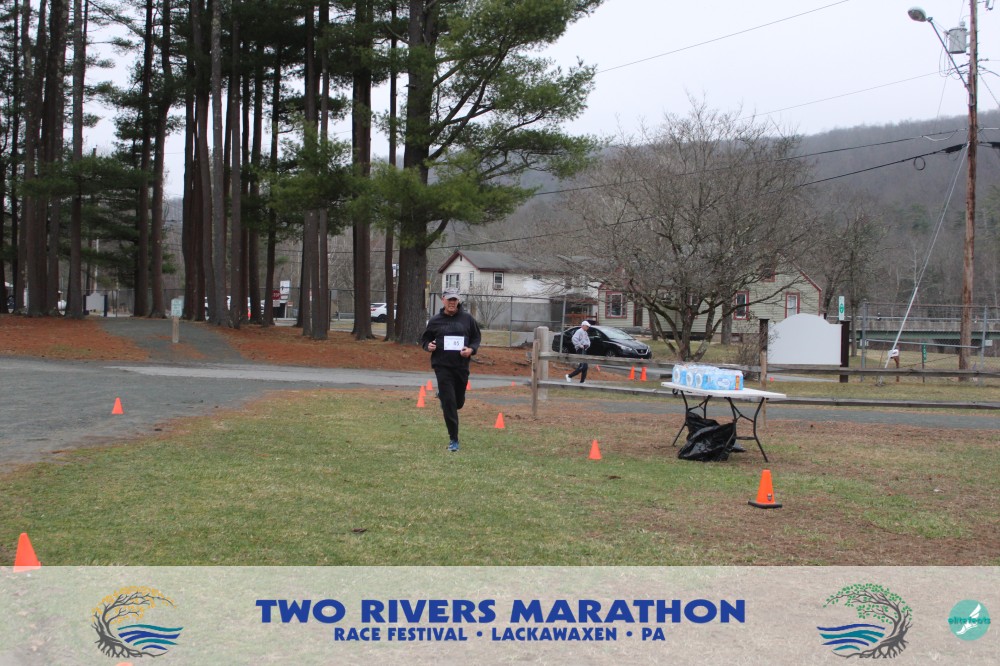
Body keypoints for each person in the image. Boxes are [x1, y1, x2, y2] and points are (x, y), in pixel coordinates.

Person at [421, 287, 482, 452]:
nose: (452, 302)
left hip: (461, 367)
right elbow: (425, 339)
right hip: (442, 366)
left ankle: (443, 396)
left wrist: (471, 349)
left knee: (458, 403)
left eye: (455, 299)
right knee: (449, 402)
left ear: (458, 301)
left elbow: (476, 338)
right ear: (443, 300)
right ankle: (453, 439)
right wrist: (428, 346)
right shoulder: (435, 320)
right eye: (449, 299)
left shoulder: (467, 319)